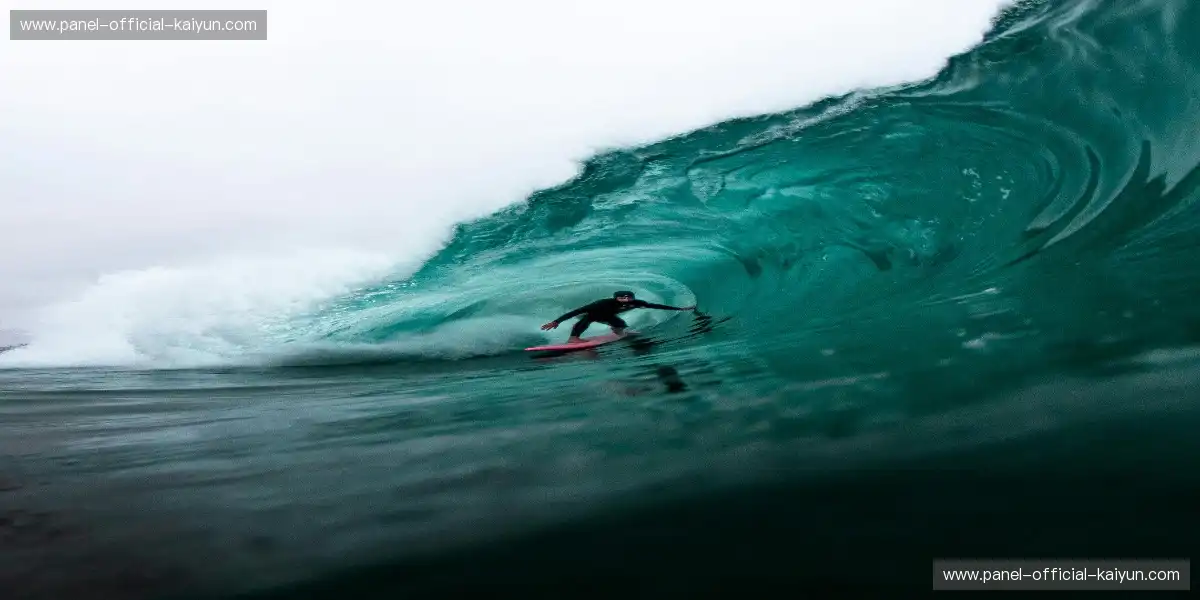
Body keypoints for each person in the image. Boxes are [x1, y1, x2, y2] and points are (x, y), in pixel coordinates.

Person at [541, 290, 696, 343]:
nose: (626, 300)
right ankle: (573, 338)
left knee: (620, 323)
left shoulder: (636, 302)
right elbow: (575, 312)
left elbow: (655, 306)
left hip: (607, 316)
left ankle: (619, 333)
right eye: (622, 298)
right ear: (616, 298)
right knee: (587, 320)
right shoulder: (603, 303)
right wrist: (556, 322)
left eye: (628, 297)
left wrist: (679, 308)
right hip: (589, 313)